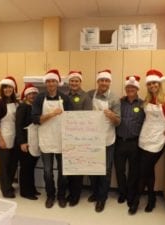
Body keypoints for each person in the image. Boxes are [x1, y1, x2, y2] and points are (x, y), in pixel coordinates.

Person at [130, 69, 165, 214]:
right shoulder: (146, 100)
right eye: (150, 83)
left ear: (159, 83)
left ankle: (136, 200)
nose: (152, 85)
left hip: (158, 138)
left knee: (142, 171)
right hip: (144, 136)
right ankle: (152, 198)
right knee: (148, 170)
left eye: (154, 83)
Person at [32, 69, 73, 208]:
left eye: (53, 81)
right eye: (48, 81)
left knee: (63, 172)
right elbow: (35, 119)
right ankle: (50, 196)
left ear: (58, 83)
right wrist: (52, 114)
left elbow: (71, 119)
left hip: (62, 139)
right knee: (47, 172)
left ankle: (61, 196)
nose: (51, 84)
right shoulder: (39, 98)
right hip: (47, 139)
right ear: (45, 83)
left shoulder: (65, 98)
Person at [87, 69, 121, 213]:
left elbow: (118, 121)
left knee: (105, 170)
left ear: (109, 82)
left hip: (108, 139)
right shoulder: (90, 94)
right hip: (91, 139)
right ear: (98, 82)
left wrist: (112, 115)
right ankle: (95, 192)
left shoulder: (114, 98)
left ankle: (102, 198)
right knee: (92, 168)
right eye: (101, 80)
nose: (104, 83)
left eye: (106, 81)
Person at [114, 75, 145, 214]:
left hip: (134, 143)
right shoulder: (119, 102)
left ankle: (131, 195)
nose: (130, 89)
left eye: (133, 87)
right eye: (128, 87)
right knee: (120, 170)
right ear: (125, 89)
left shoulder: (143, 104)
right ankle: (122, 193)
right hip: (120, 141)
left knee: (133, 171)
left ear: (137, 89)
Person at [66, 70, 92, 206]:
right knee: (69, 167)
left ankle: (75, 195)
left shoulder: (86, 97)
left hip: (81, 138)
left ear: (80, 82)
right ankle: (70, 192)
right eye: (72, 81)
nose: (74, 83)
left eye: (76, 81)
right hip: (67, 138)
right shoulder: (65, 96)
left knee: (78, 167)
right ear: (69, 83)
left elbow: (88, 118)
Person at [0, 76, 19, 198]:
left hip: (14, 136)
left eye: (10, 87)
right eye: (5, 87)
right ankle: (5, 190)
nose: (8, 89)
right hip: (3, 136)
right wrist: (0, 140)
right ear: (2, 89)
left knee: (13, 164)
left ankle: (9, 185)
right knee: (4, 165)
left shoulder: (15, 102)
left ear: (13, 89)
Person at [15, 83, 41, 200]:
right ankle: (25, 192)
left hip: (34, 141)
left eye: (34, 93)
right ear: (26, 96)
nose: (32, 96)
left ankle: (32, 188)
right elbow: (18, 126)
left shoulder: (36, 107)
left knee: (31, 167)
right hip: (26, 142)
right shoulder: (23, 107)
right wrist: (22, 142)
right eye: (30, 94)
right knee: (26, 168)